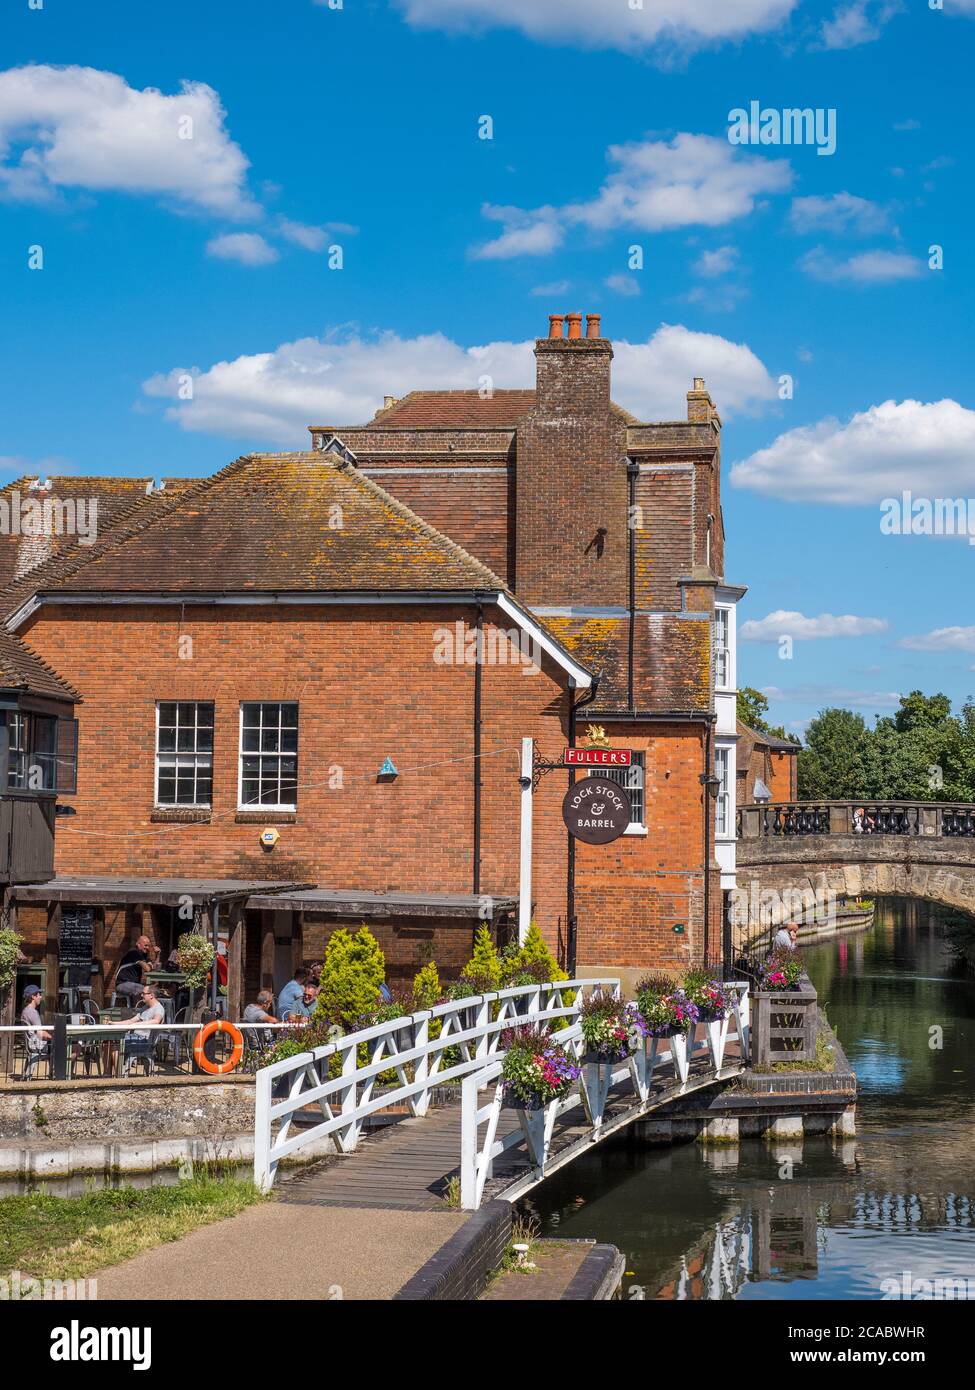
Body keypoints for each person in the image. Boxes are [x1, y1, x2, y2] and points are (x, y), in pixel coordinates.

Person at [113, 935, 159, 1003]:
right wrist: (149, 965)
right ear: (138, 944)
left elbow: (153, 967)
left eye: (148, 946)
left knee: (150, 990)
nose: (147, 948)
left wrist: (158, 955)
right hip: (123, 984)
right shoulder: (134, 952)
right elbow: (147, 969)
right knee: (148, 991)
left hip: (132, 984)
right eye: (145, 945)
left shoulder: (143, 955)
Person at [21, 985, 52, 1056]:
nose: (40, 997)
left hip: (32, 1044)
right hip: (37, 1046)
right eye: (39, 995)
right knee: (74, 1048)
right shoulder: (32, 1012)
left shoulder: (26, 1010)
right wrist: (56, 1038)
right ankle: (62, 1067)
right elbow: (40, 1033)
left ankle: (53, 1067)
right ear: (33, 997)